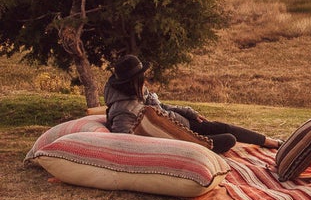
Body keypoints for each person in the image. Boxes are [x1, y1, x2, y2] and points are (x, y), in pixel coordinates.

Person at [104, 54, 281, 155]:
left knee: (220, 126)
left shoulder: (137, 92)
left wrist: (188, 112)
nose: (145, 79)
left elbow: (162, 107)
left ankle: (270, 142)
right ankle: (269, 142)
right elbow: (125, 142)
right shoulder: (123, 111)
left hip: (182, 124)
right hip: (179, 138)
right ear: (134, 80)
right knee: (228, 139)